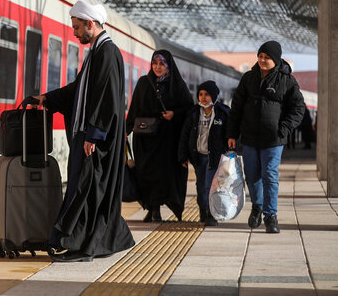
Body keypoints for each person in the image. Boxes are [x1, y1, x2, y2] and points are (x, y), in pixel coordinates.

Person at [33, 0, 134, 262]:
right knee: (85, 188)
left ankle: (84, 247)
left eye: (77, 28)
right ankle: (88, 243)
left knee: (86, 189)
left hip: (96, 140)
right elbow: (79, 90)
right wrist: (49, 99)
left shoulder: (107, 53)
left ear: (90, 24)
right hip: (89, 136)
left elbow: (107, 98)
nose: (75, 33)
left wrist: (94, 135)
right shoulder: (97, 53)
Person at [227, 41, 304, 234]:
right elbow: (236, 108)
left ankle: (271, 216)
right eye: (260, 56)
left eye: (267, 57)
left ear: (275, 59)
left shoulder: (287, 80)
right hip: (250, 138)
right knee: (252, 176)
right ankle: (257, 207)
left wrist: (283, 129)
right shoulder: (248, 78)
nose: (262, 60)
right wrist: (232, 134)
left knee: (269, 175)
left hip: (273, 139)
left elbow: (298, 108)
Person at [126, 50, 193, 222]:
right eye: (154, 63)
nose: (157, 67)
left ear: (168, 65)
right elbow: (134, 110)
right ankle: (152, 208)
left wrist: (174, 114)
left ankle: (158, 208)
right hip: (145, 138)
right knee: (145, 173)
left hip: (167, 140)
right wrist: (125, 131)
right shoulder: (143, 83)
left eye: (161, 64)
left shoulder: (177, 85)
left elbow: (188, 109)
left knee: (164, 174)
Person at [178, 80, 230, 227]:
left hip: (215, 157)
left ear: (213, 95)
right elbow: (185, 135)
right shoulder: (194, 113)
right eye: (200, 94)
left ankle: (211, 214)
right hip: (199, 156)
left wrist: (229, 153)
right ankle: (203, 210)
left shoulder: (223, 113)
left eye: (206, 94)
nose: (203, 97)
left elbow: (230, 134)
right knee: (201, 186)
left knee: (212, 186)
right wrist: (182, 155)